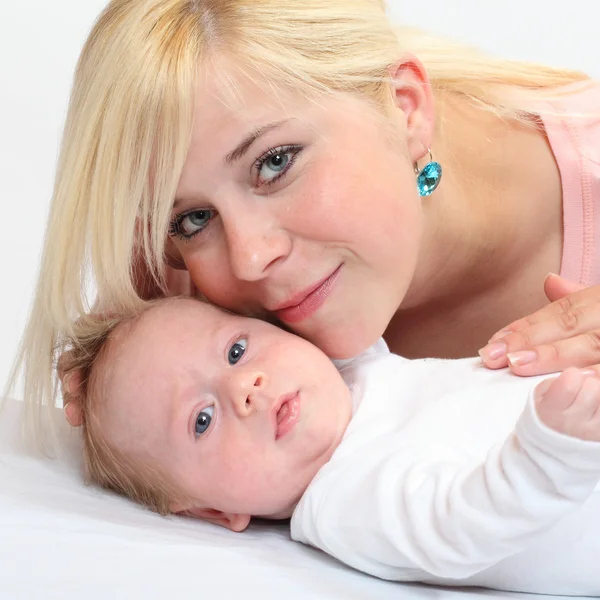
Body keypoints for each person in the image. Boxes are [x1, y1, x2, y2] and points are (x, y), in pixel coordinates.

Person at [5, 0, 600, 440]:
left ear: (405, 108)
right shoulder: (190, 305)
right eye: (190, 220)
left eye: (274, 163)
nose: (248, 258)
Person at [60, 296, 600, 596]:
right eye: (202, 420)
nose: (244, 387)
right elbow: (455, 527)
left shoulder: (352, 375)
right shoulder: (342, 501)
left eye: (237, 349)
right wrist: (549, 453)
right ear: (212, 509)